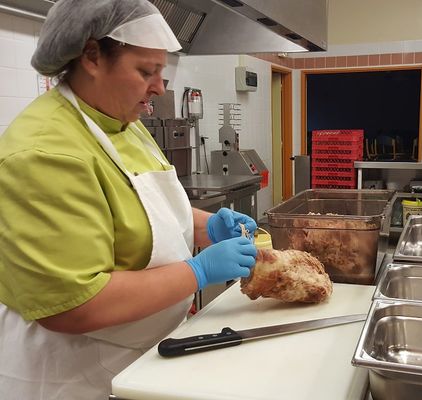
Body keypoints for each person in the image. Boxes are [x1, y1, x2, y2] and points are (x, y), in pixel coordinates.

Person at [0, 0, 258, 398]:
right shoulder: (44, 153)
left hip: (143, 355)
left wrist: (208, 226)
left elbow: (143, 210)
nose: (159, 86)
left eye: (162, 72)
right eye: (146, 71)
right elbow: (74, 306)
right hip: (75, 372)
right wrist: (198, 273)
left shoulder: (125, 123)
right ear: (91, 56)